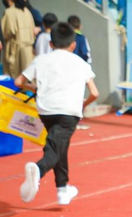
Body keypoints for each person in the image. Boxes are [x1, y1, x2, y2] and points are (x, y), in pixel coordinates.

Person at [15, 22, 98, 206]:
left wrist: (34, 87)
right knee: (55, 148)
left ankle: (62, 190)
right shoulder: (81, 63)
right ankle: (38, 169)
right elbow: (95, 93)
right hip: (69, 112)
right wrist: (83, 105)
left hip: (46, 111)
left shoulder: (41, 59)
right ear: (73, 45)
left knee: (59, 145)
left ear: (51, 44)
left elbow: (19, 81)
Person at [1, 0, 35, 79]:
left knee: (13, 79)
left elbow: (4, 33)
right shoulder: (27, 12)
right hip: (29, 52)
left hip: (14, 51)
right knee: (27, 78)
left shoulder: (9, 12)